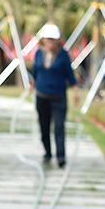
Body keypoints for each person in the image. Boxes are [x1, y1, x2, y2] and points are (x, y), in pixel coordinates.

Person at [31, 23, 76, 168]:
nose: (50, 42)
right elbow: (36, 72)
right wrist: (33, 84)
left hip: (58, 97)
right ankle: (47, 152)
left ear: (57, 40)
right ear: (43, 39)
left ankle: (61, 157)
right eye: (48, 39)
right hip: (42, 96)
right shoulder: (39, 53)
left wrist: (75, 90)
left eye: (53, 39)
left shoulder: (63, 55)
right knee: (44, 126)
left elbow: (69, 74)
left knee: (59, 127)